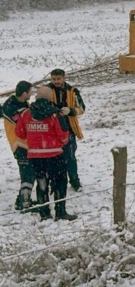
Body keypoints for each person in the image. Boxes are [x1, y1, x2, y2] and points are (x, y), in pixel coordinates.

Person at [16, 86, 77, 221]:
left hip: (35, 155)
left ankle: (45, 213)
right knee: (60, 183)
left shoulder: (26, 114)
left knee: (41, 183)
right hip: (55, 154)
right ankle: (60, 212)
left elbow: (19, 133)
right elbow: (63, 135)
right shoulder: (55, 114)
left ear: (36, 97)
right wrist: (61, 142)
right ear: (50, 98)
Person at [2, 81, 45, 211]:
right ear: (25, 92)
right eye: (30, 92)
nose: (31, 94)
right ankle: (24, 203)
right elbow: (22, 122)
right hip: (18, 144)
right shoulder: (10, 106)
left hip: (26, 143)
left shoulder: (22, 103)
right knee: (27, 173)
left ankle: (22, 198)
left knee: (29, 172)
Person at [47, 69, 85, 192]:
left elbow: (81, 108)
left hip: (69, 128)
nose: (56, 82)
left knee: (70, 157)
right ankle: (55, 183)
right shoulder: (47, 90)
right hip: (51, 130)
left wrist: (70, 111)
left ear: (64, 77)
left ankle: (74, 181)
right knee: (53, 158)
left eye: (58, 79)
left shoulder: (72, 91)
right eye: (53, 79)